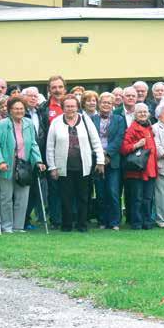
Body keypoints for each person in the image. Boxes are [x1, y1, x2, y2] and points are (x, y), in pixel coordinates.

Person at [46, 94, 104, 232]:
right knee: (65, 197)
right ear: (63, 107)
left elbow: (96, 142)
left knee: (83, 197)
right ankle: (66, 225)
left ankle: (82, 224)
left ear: (77, 107)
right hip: (63, 167)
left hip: (83, 166)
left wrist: (100, 161)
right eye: (67, 106)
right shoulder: (56, 122)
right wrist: (52, 167)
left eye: (73, 106)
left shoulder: (86, 120)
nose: (70, 109)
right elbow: (50, 147)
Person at [0, 95, 44, 233]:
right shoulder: (2, 125)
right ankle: (6, 226)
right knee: (6, 197)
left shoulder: (28, 123)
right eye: (15, 108)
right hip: (6, 164)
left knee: (22, 197)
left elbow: (33, 144)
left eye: (21, 108)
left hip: (24, 164)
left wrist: (38, 160)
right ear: (9, 110)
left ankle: (18, 226)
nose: (19, 111)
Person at [120, 103, 158, 230]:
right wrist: (136, 145)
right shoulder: (132, 129)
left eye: (145, 112)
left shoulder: (149, 128)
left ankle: (147, 222)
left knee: (148, 198)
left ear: (148, 113)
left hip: (150, 169)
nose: (143, 114)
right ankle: (136, 223)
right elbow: (124, 148)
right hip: (137, 170)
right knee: (137, 198)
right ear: (135, 115)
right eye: (140, 112)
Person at [91, 92, 126, 230]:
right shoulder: (92, 119)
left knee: (113, 191)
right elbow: (91, 138)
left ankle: (115, 221)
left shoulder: (119, 119)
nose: (106, 105)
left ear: (113, 105)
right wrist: (100, 155)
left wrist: (107, 154)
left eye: (109, 103)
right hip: (97, 160)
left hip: (113, 160)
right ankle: (102, 221)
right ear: (99, 104)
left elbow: (119, 138)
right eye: (103, 102)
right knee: (100, 192)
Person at [37, 75, 66, 228]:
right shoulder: (43, 108)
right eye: (54, 87)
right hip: (51, 154)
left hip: (72, 153)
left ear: (64, 88)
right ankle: (56, 220)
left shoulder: (73, 105)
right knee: (54, 188)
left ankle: (71, 217)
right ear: (49, 90)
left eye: (60, 87)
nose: (57, 90)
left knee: (70, 187)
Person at [22, 86, 46, 230]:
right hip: (24, 157)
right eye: (30, 96)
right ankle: (22, 219)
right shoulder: (20, 113)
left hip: (39, 155)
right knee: (24, 188)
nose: (33, 98)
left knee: (35, 190)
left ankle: (27, 219)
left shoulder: (40, 113)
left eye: (35, 96)